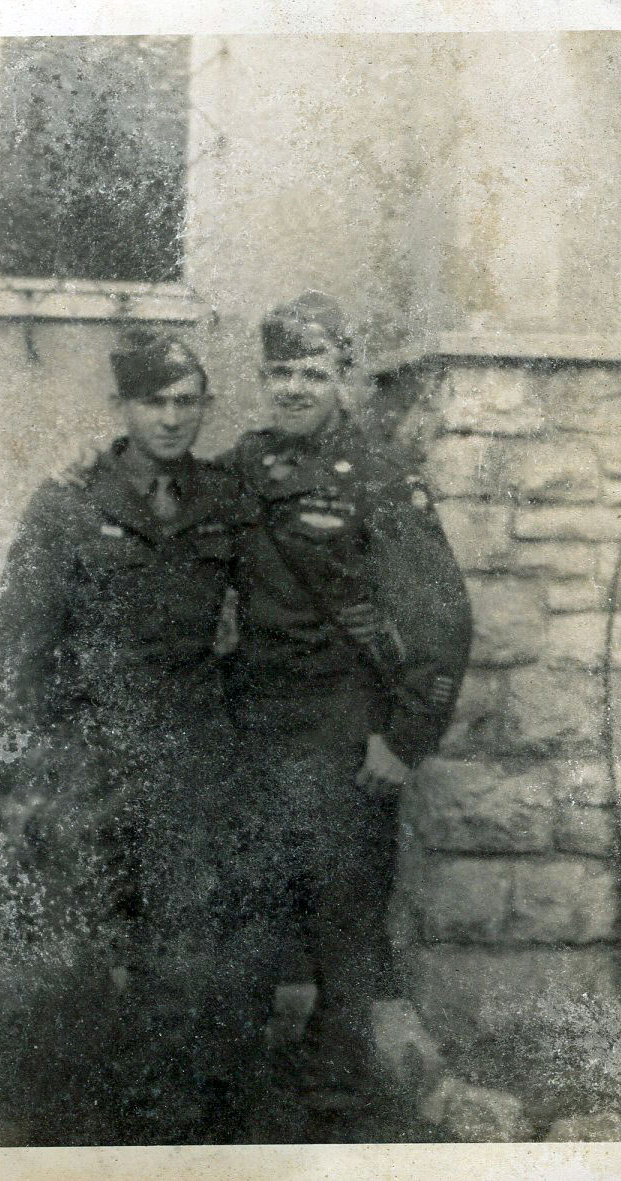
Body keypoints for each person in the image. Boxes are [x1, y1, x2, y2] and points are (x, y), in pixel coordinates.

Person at [0, 332, 263, 1146]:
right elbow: (15, 646)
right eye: (154, 401)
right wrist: (41, 763)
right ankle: (72, 1123)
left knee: (185, 942)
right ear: (123, 408)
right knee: (77, 943)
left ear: (203, 406)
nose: (170, 417)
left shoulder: (227, 498)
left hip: (190, 753)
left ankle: (168, 1126)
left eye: (186, 401)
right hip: (88, 756)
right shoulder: (68, 501)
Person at [222, 291, 472, 1131]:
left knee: (343, 910)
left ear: (342, 378)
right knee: (252, 898)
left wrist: (402, 742)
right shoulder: (241, 469)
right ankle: (241, 1086)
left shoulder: (379, 478)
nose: (292, 387)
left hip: (343, 731)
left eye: (312, 372)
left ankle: (337, 1095)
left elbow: (440, 619)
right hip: (255, 726)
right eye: (279, 371)